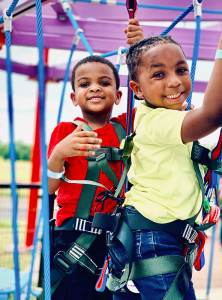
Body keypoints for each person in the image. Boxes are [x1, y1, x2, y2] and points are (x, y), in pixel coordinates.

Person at [107, 1, 222, 299]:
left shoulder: (166, 114)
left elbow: (165, 90)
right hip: (152, 238)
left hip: (158, 236)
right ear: (137, 90)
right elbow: (214, 114)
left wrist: (145, 49)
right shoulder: (155, 123)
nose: (175, 81)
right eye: (160, 75)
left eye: (181, 69)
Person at [47, 18, 144, 300]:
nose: (95, 88)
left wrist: (138, 51)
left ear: (119, 95)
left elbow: (150, 95)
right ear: (74, 97)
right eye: (84, 83)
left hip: (114, 238)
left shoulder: (127, 124)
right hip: (70, 238)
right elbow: (50, 188)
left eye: (104, 82)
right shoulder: (65, 132)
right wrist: (59, 154)